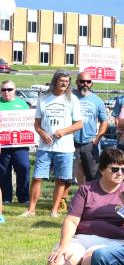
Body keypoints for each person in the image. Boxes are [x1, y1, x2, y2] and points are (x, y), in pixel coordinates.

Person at [24, 70, 84, 217]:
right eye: (61, 80)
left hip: (65, 148)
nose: (64, 83)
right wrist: (42, 133)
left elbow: (79, 124)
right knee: (37, 177)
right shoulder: (43, 99)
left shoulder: (72, 100)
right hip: (45, 147)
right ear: (55, 81)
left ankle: (54, 211)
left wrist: (63, 131)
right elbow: (37, 124)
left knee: (61, 179)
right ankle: (31, 210)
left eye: (67, 81)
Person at [73, 71, 109, 183]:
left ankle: (92, 199)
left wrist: (97, 138)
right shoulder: (70, 98)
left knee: (93, 175)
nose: (85, 84)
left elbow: (104, 121)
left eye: (88, 82)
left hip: (90, 142)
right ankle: (69, 197)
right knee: (69, 175)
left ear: (91, 83)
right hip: (71, 141)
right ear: (77, 82)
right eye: (82, 81)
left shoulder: (97, 100)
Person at [0, 80, 31, 204]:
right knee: (3, 171)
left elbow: (28, 123)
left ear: (15, 90)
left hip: (20, 144)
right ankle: (6, 197)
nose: (6, 92)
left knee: (24, 167)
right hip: (3, 145)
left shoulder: (22, 104)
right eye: (3, 90)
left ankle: (23, 197)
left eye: (9, 89)